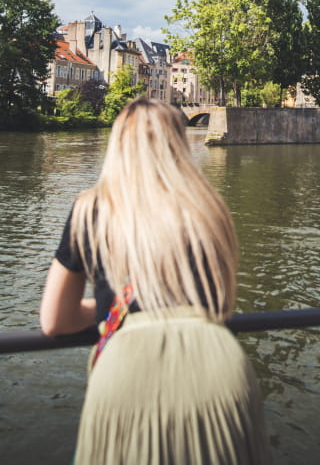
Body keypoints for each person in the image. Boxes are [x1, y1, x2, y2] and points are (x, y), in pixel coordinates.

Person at [40, 96, 271, 465]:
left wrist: (108, 309)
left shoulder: (91, 207)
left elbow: (55, 321)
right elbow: (219, 304)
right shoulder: (209, 206)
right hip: (219, 366)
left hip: (126, 373)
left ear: (118, 145)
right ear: (178, 146)